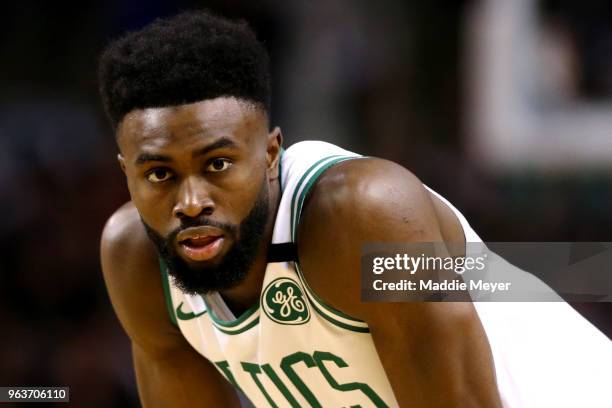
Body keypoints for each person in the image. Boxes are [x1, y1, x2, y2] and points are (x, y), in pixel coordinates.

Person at [98, 10, 611, 408]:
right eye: (160, 174)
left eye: (218, 164)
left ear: (271, 153)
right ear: (127, 173)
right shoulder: (136, 262)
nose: (190, 202)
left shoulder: (362, 215)